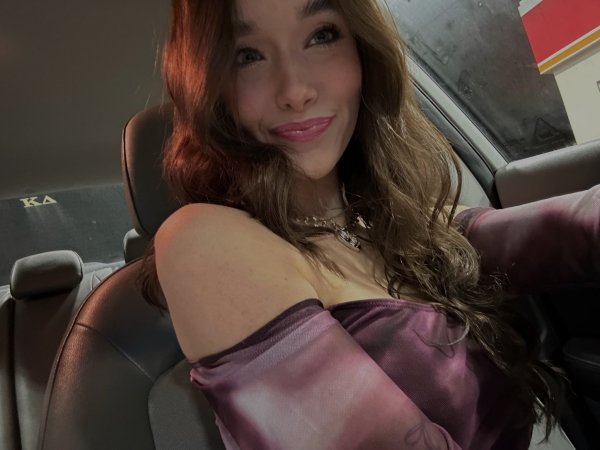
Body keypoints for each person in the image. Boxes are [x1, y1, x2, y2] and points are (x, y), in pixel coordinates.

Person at [139, 0, 599, 448]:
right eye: (247, 55)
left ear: (362, 48)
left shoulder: (386, 218)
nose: (295, 90)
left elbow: (565, 230)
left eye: (322, 35)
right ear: (207, 83)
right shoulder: (205, 242)